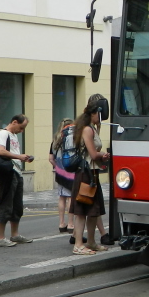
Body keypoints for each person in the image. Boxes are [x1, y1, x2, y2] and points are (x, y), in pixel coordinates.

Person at [71, 94, 111, 255]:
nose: (100, 118)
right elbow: (93, 154)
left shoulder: (91, 128)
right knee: (82, 210)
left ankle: (92, 242)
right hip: (85, 174)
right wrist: (103, 155)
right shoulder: (87, 129)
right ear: (93, 114)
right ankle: (79, 244)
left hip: (92, 173)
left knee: (94, 210)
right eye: (99, 115)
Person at [0, 114, 35, 247]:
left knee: (17, 205)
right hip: (8, 172)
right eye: (21, 127)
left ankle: (15, 234)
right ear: (15, 122)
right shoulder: (3, 133)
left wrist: (22, 158)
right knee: (6, 204)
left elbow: (13, 153)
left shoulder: (14, 135)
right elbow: (0, 151)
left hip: (17, 172)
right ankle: (1, 237)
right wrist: (19, 156)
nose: (21, 131)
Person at [49, 118, 75, 234]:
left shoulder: (55, 140)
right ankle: (70, 223)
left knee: (61, 197)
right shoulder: (72, 139)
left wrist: (58, 167)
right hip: (71, 170)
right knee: (70, 197)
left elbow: (50, 158)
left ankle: (61, 223)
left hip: (60, 172)